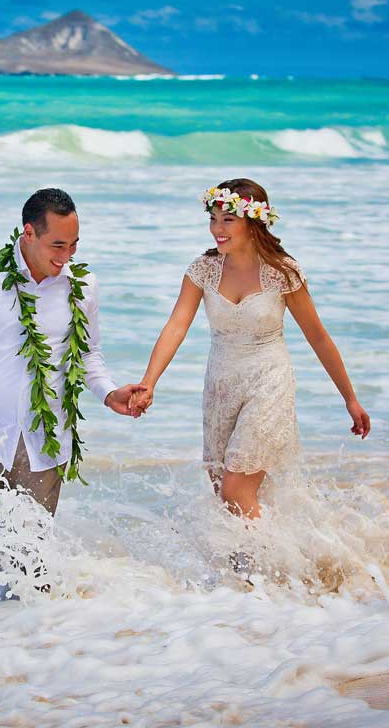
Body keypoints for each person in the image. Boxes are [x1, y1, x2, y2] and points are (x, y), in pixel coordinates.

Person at [0, 188, 145, 596]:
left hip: (47, 433)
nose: (66, 256)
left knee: (32, 542)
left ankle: (30, 625)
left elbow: (90, 355)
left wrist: (110, 394)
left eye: (74, 245)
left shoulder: (82, 285)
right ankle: (42, 588)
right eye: (58, 244)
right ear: (28, 234)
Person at [129, 178, 370, 531]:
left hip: (269, 381)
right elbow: (176, 325)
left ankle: (268, 571)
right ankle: (255, 576)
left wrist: (350, 398)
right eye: (212, 219)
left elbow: (318, 336)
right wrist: (149, 383)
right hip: (221, 386)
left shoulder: (283, 272)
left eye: (227, 220)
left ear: (253, 221)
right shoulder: (203, 269)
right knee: (223, 493)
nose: (217, 229)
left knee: (235, 489)